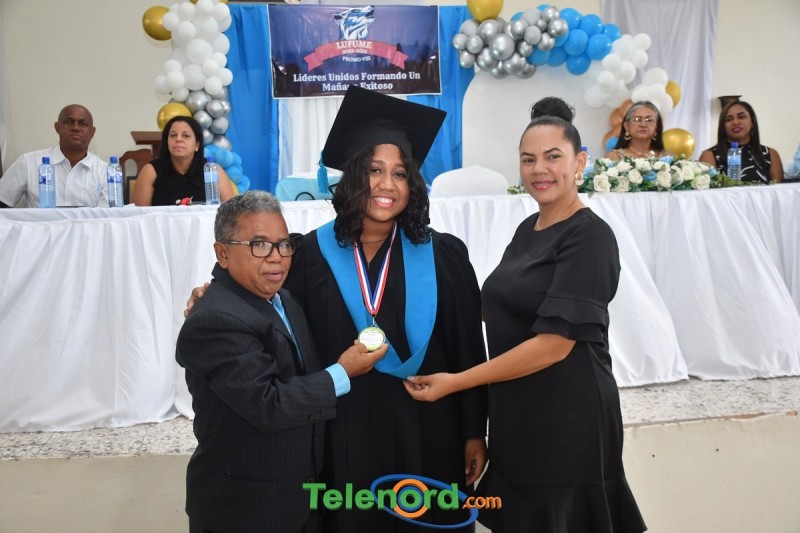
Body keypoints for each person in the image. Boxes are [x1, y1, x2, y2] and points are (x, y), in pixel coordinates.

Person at [186, 86, 488, 532]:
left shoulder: (444, 256)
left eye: (400, 173)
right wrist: (213, 287)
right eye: (374, 170)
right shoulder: (309, 255)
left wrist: (473, 430)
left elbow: (468, 348)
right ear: (351, 177)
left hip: (429, 430)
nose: (387, 185)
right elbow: (256, 280)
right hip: (341, 430)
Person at [405, 97, 647, 533]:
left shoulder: (589, 236)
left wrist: (456, 382)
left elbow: (553, 345)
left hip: (567, 415)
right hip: (517, 412)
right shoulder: (527, 229)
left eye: (553, 157)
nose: (540, 169)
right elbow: (501, 309)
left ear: (580, 162)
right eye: (528, 159)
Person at [176, 190, 387, 533]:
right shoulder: (215, 320)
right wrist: (343, 372)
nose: (276, 258)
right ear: (223, 253)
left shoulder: (283, 298)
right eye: (259, 245)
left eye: (283, 244)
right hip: (246, 509)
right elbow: (268, 404)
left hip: (301, 497)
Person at [0, 104, 108, 208]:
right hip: (40, 222)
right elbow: (2, 201)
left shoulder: (105, 172)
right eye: (69, 122)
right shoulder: (28, 162)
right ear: (57, 127)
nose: (76, 128)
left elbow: (108, 215)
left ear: (92, 132)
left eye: (83, 123)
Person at [132, 115, 234, 206]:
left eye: (186, 136)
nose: (178, 139)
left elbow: (231, 214)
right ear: (167, 142)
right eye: (173, 135)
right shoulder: (150, 171)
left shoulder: (213, 170)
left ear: (197, 145)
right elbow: (140, 215)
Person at [699, 100, 783, 183]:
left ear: (752, 122)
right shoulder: (709, 155)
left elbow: (779, 190)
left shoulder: (770, 154)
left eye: (741, 117)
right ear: (723, 126)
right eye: (728, 119)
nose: (735, 122)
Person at [605, 100, 669, 161]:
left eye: (649, 120)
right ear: (627, 126)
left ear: (657, 127)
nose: (643, 124)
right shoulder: (614, 157)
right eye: (637, 120)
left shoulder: (665, 157)